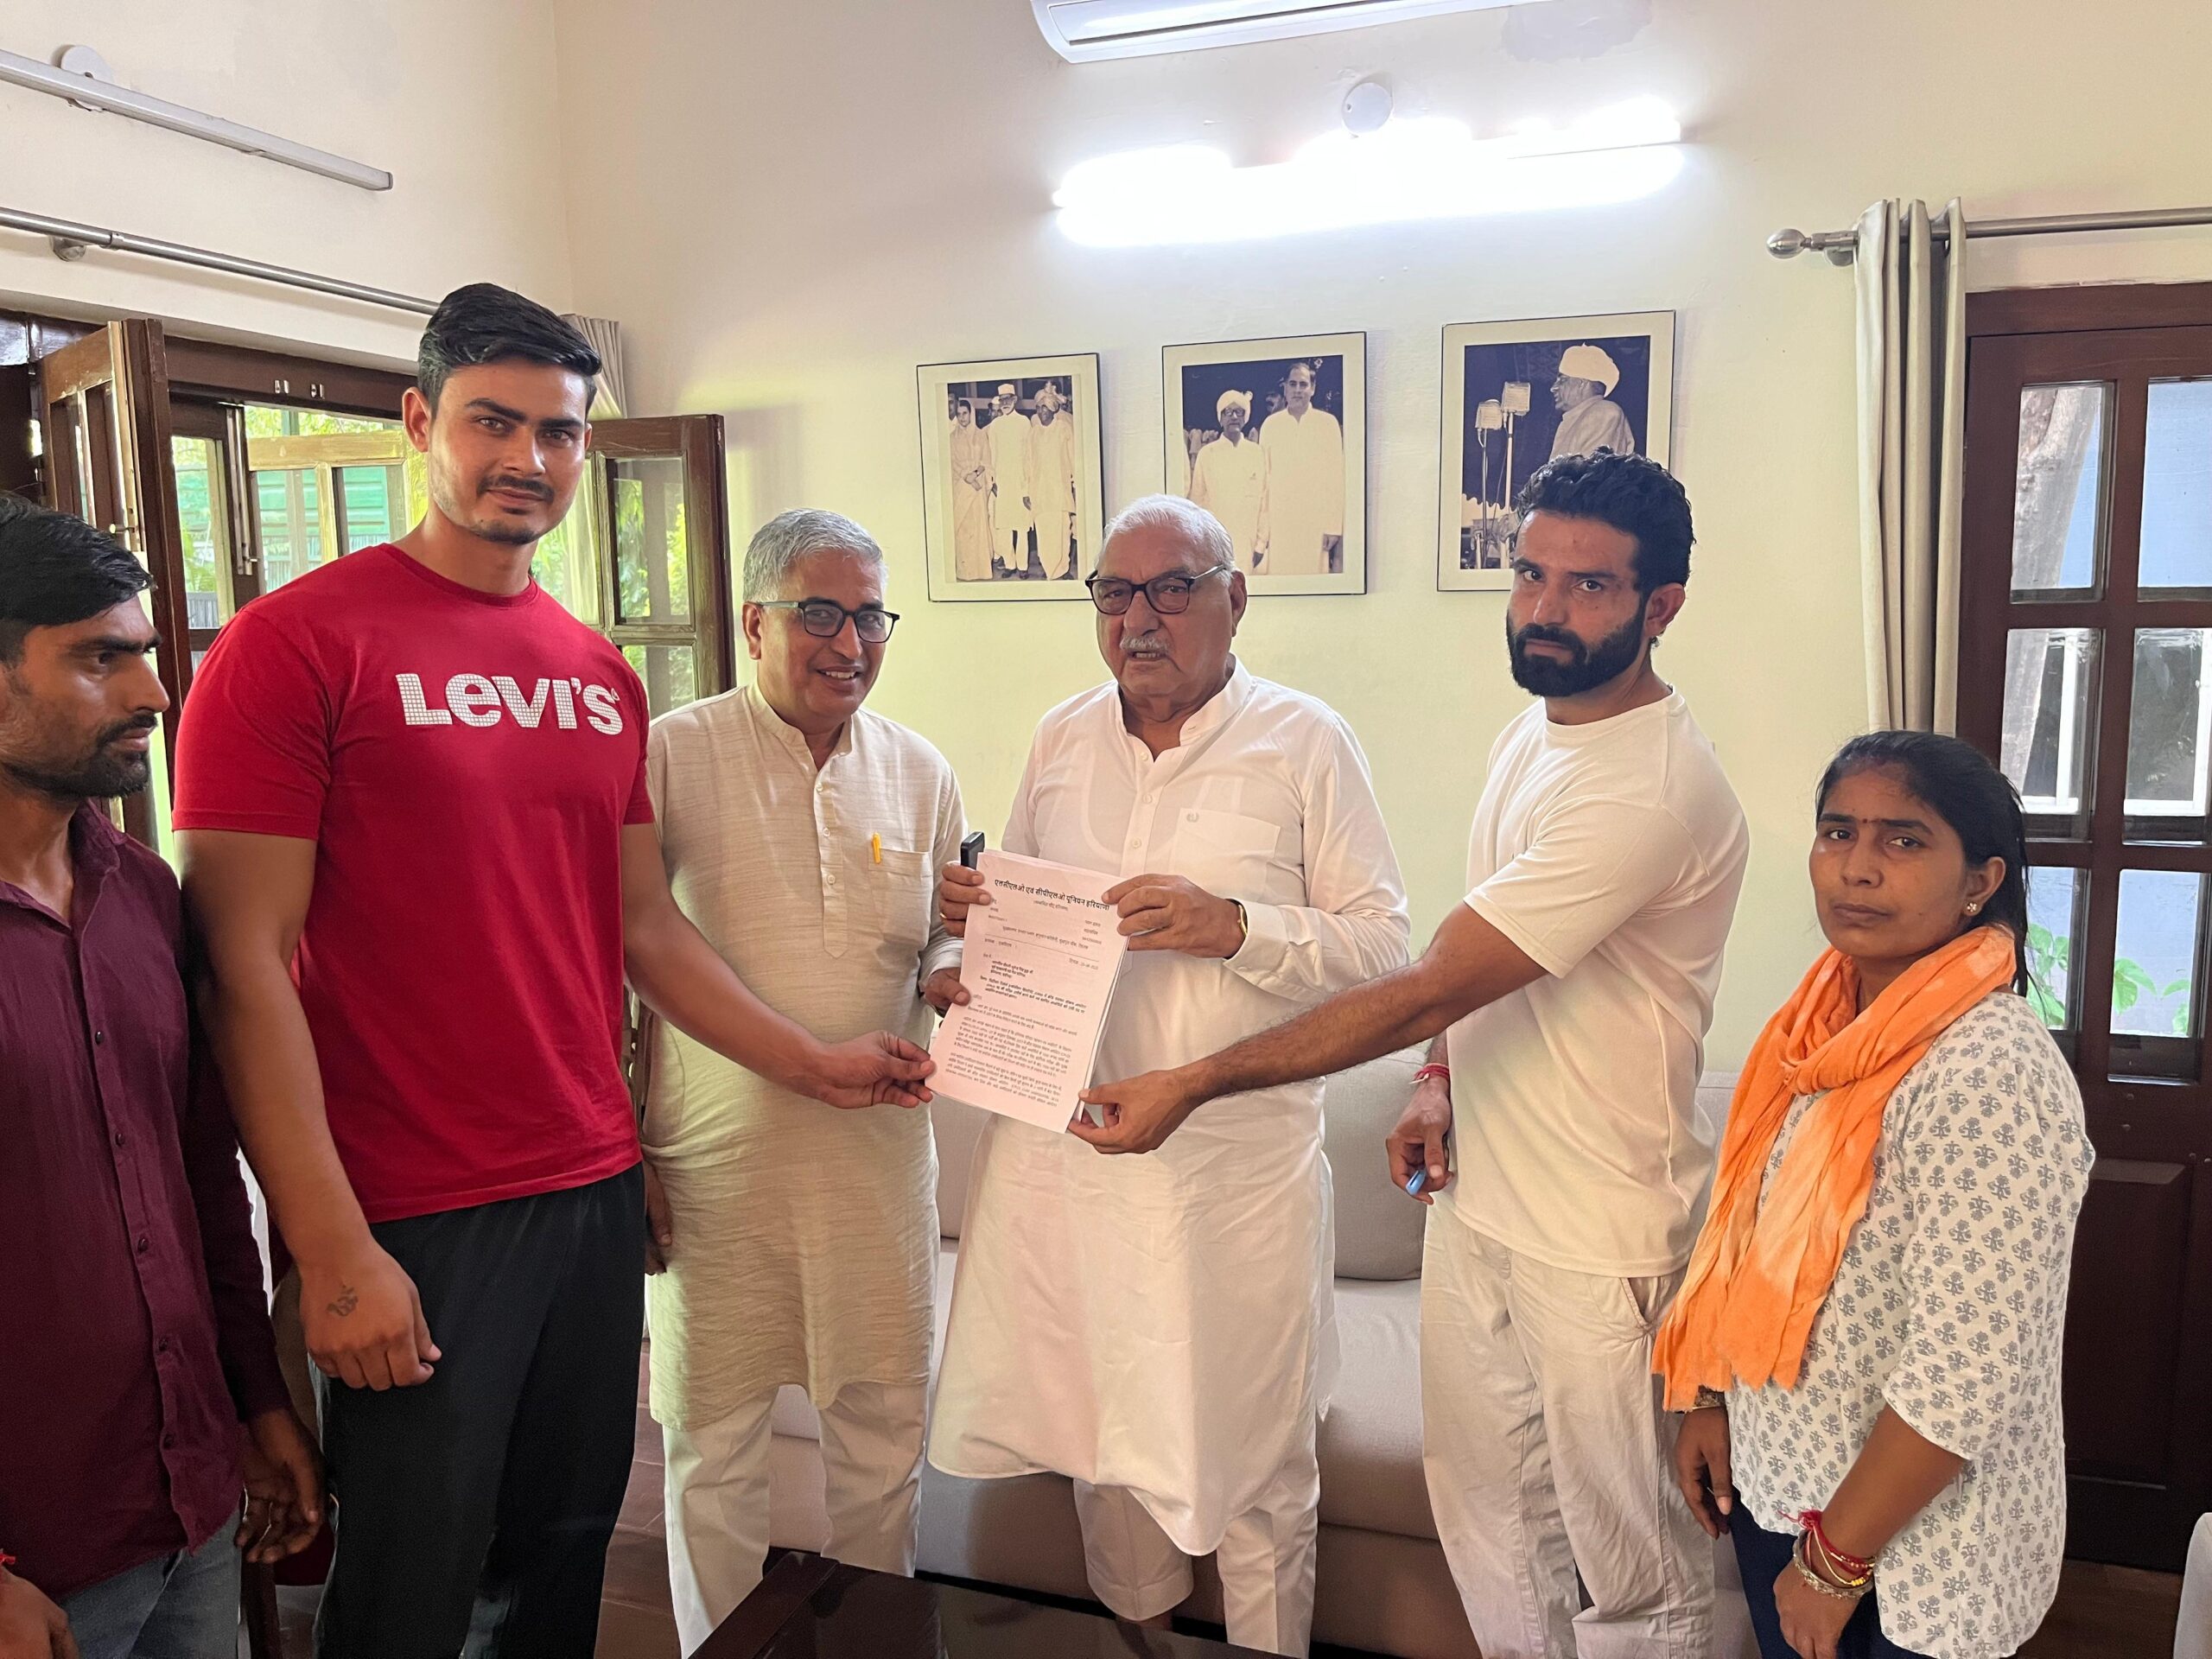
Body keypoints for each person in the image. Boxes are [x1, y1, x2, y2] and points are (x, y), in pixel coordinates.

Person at [171, 284, 932, 1659]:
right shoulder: (294, 648)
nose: (529, 459)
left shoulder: (595, 673)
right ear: (421, 423)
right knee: (412, 1588)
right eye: (493, 423)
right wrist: (330, 1249)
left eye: (561, 432)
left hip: (586, 1193)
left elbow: (646, 931)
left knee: (556, 1569)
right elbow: (240, 971)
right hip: (415, 1208)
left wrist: (811, 1066)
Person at [1083, 452, 1748, 1659]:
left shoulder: (1650, 790)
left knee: (1634, 1578)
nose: (1545, 609)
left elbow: (1428, 977)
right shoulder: (1536, 733)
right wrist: (1438, 1080)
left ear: (1662, 606)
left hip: (1601, 1240)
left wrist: (1194, 1080)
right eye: (1531, 574)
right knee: (1493, 1531)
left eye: (1589, 586)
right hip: (1479, 1206)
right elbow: (1478, 950)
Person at [927, 495, 1410, 1657]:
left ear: (1233, 599)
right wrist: (961, 949)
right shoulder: (1060, 736)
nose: (1139, 618)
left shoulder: (1306, 740)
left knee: (1256, 1460)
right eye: (1114, 592)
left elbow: (1386, 950)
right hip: (1073, 1165)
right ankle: (1137, 1641)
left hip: (1228, 1180)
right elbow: (1021, 923)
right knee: (1106, 1449)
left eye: (1171, 589)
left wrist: (1233, 925)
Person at [1660, 732, 2093, 1659]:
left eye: (1903, 839)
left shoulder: (1988, 1070)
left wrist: (1833, 1565)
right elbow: (1748, 1234)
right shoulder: (1815, 1033)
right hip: (1783, 1487)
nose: (1856, 867)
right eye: (1837, 832)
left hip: (1912, 1554)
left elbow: (1964, 1373)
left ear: (1979, 882)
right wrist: (1707, 1396)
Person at [0, 498, 321, 1658]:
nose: (153, 693)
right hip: (33, 1557)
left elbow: (199, 1182)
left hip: (189, 1509)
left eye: (144, 653)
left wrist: (257, 1401)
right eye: (100, 659)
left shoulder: (144, 894)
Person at [643, 510, 966, 1653]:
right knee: (713, 1454)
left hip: (875, 1169)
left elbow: (941, 932)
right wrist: (627, 1150)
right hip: (714, 1170)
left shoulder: (921, 769)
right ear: (753, 624)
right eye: (819, 613)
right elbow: (611, 960)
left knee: (883, 1445)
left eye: (871, 617)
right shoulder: (669, 754)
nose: (851, 643)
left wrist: (954, 967)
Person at [1256, 361, 1343, 576]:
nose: (1297, 390)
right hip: (1280, 518)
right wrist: (1263, 531)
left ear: (1313, 389)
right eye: (1292, 384)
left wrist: (1333, 526)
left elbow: (1336, 478)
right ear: (1284, 388)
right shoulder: (1270, 425)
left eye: (1303, 384)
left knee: (1313, 578)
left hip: (1315, 518)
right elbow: (1263, 480)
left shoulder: (1327, 424)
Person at [1188, 389, 1268, 571]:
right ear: (1221, 418)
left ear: (1245, 417)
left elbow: (1265, 499)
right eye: (1228, 412)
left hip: (1248, 542)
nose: (1234, 417)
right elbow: (1197, 502)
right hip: (1215, 543)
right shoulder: (1207, 454)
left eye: (1239, 412)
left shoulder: (1256, 453)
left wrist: (1261, 544)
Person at [1549, 343, 1637, 460]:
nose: (1554, 388)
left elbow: (1590, 468)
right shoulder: (1577, 417)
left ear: (1581, 384)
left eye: (1562, 380)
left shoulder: (1604, 411)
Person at [1029, 382, 1078, 581]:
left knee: (1061, 531)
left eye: (1045, 408)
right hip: (1039, 491)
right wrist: (1026, 492)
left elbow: (1073, 457)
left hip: (1059, 489)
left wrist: (1076, 483)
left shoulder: (1063, 429)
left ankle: (1062, 569)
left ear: (1052, 409)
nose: (1041, 412)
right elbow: (1028, 463)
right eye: (1039, 408)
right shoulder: (1033, 433)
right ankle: (1049, 570)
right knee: (1043, 532)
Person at [986, 382, 1034, 578]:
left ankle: (1023, 567)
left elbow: (1029, 455)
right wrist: (993, 481)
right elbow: (992, 455)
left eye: (1008, 399)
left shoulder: (1024, 422)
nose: (1005, 403)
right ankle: (1009, 564)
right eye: (1002, 400)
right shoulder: (995, 425)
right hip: (1002, 483)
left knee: (1021, 527)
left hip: (1020, 482)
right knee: (1004, 527)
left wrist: (1026, 488)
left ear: (1014, 400)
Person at [950, 399, 993, 582]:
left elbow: (985, 460)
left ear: (971, 413)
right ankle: (965, 571)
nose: (962, 418)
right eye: (959, 414)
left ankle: (981, 570)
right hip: (961, 486)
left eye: (965, 413)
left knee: (978, 525)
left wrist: (974, 476)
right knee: (963, 528)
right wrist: (965, 476)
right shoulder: (952, 437)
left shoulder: (981, 435)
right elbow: (952, 462)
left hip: (977, 486)